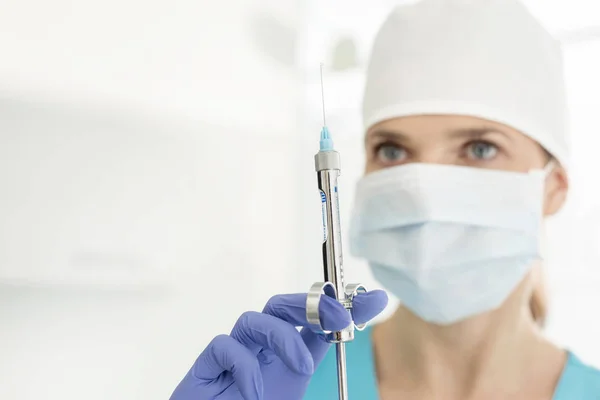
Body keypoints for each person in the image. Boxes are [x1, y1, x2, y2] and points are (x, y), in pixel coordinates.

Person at [170, 0, 600, 399]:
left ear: (554, 187)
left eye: (479, 148)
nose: (424, 193)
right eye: (393, 151)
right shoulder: (283, 383)